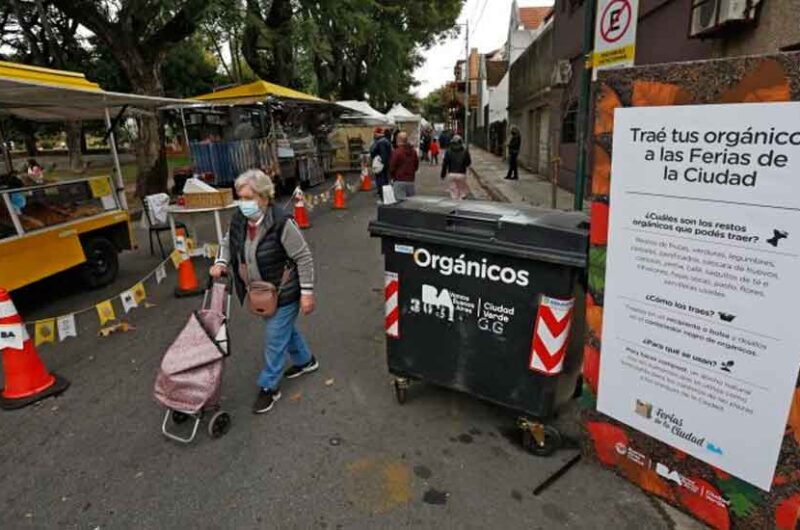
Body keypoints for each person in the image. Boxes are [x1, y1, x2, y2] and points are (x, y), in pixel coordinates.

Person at [210, 170, 317, 414]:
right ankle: (306, 361)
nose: (243, 203)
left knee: (273, 338)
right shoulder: (239, 219)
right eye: (240, 197)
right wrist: (221, 262)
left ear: (265, 197)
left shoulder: (282, 223)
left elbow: (303, 257)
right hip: (260, 292)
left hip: (285, 293)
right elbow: (228, 242)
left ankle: (269, 387)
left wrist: (307, 293)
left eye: (248, 197)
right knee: (282, 331)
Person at [440, 135, 472, 200]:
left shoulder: (448, 151)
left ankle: (455, 205)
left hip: (451, 174)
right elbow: (468, 163)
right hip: (461, 173)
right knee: (461, 191)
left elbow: (445, 164)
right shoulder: (465, 151)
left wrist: (443, 174)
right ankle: (461, 200)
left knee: (454, 193)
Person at [389, 131, 419, 199]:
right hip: (411, 180)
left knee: (400, 205)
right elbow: (416, 166)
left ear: (398, 140)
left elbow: (392, 167)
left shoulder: (396, 152)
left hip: (399, 180)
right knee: (410, 203)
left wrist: (392, 177)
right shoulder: (413, 152)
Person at [370, 127, 393, 203]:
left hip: (381, 166)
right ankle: (385, 198)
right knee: (384, 182)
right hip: (384, 165)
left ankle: (383, 199)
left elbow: (383, 155)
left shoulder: (381, 142)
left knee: (381, 182)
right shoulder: (385, 141)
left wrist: (382, 164)